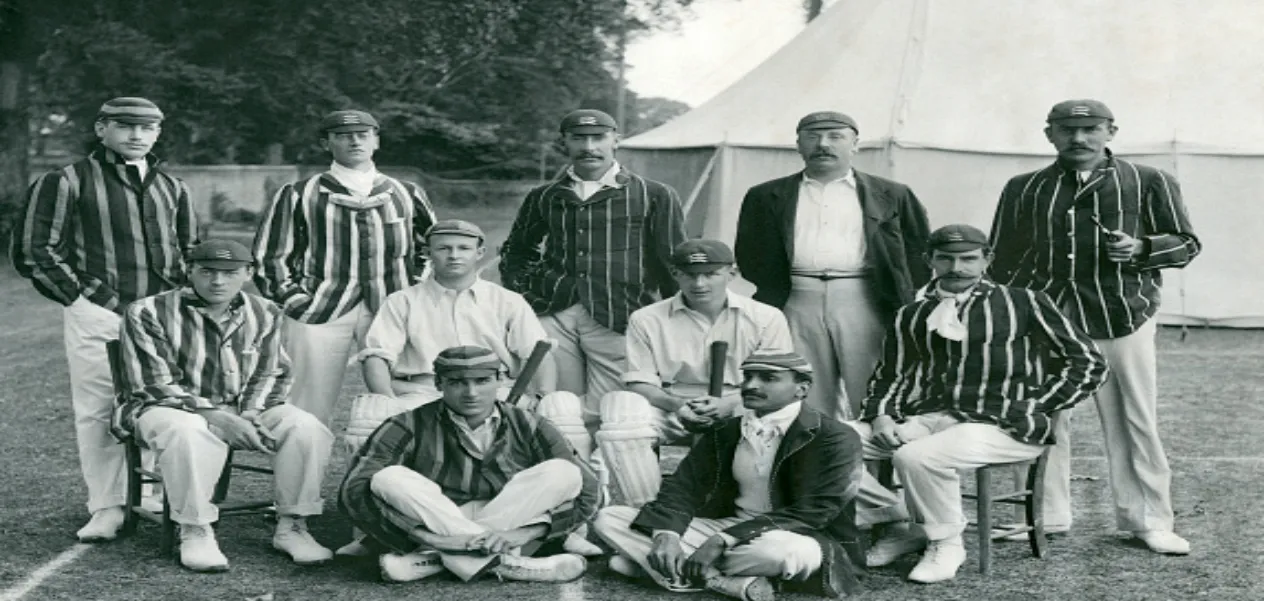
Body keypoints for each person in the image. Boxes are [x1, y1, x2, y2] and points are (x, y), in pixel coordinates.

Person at [988, 100, 1200, 555]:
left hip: (1122, 314)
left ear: (1111, 131)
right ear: (1050, 134)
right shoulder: (1024, 187)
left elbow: (1186, 244)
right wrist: (1015, 311)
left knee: (1134, 419)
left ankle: (1149, 519)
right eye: (1067, 129)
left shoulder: (1148, 180)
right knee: (1038, 415)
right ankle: (1044, 516)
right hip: (1045, 320)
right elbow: (1003, 258)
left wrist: (1141, 247)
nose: (1078, 138)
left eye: (1090, 129)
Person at [851, 224, 1107, 583]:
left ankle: (946, 543)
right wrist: (880, 418)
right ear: (929, 261)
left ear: (987, 259)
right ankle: (897, 519)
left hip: (1005, 424)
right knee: (828, 439)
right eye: (946, 258)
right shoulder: (912, 312)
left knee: (916, 456)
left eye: (969, 258)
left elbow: (1088, 362)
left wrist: (1035, 405)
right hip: (931, 417)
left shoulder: (1025, 301)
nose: (957, 267)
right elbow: (891, 374)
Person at [339, 218, 598, 558]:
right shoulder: (403, 301)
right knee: (371, 414)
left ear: (480, 253)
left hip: (497, 391)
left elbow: (538, 353)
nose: (454, 256)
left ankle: (568, 530)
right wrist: (386, 401)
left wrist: (542, 397)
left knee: (561, 409)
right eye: (443, 248)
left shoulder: (506, 301)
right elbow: (377, 356)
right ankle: (372, 533)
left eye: (463, 248)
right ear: (428, 253)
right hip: (424, 393)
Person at [11, 96, 197, 542]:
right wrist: (81, 298)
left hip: (163, 316)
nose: (136, 135)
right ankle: (107, 506)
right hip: (99, 312)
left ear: (157, 133)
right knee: (98, 409)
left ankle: (151, 493)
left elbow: (189, 250)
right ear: (101, 129)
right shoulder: (67, 181)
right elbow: (35, 249)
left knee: (163, 403)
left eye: (147, 127)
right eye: (125, 126)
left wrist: (181, 299)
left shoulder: (172, 187)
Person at [113, 239, 334, 572]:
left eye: (230, 273)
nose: (218, 282)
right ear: (189, 271)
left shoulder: (266, 311)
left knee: (307, 428)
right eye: (207, 272)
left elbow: (270, 371)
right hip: (166, 409)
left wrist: (250, 414)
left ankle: (292, 526)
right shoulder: (147, 311)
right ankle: (195, 530)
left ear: (248, 273)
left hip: (243, 408)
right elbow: (153, 384)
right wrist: (220, 418)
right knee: (188, 431)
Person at [593, 350, 866, 601]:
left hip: (795, 535)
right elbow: (684, 486)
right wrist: (668, 534)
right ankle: (723, 581)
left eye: (768, 378)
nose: (750, 385)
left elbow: (817, 511)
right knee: (610, 518)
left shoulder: (835, 437)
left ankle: (664, 567)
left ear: (801, 388)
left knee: (784, 553)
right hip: (724, 525)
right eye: (747, 376)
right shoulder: (726, 429)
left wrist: (721, 541)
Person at [338, 346, 602, 584]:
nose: (471, 393)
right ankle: (514, 565)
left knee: (564, 471)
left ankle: (436, 560)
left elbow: (591, 492)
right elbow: (353, 490)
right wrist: (434, 538)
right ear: (439, 383)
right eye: (457, 383)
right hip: (440, 521)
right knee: (388, 478)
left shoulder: (530, 423)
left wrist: (523, 534)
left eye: (482, 381)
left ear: (499, 380)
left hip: (509, 524)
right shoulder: (407, 423)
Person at [734, 111, 931, 423]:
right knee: (804, 392)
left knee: (873, 391)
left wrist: (895, 292)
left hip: (865, 299)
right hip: (796, 299)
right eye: (812, 136)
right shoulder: (766, 195)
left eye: (835, 136)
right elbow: (750, 254)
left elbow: (920, 252)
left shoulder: (893, 194)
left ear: (855, 144)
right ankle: (814, 467)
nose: (823, 144)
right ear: (798, 144)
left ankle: (878, 469)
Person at [499, 108, 688, 430]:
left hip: (621, 313)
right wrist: (526, 293)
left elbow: (672, 259)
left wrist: (675, 317)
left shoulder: (653, 194)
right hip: (554, 313)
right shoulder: (544, 196)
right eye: (579, 139)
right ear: (565, 143)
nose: (589, 147)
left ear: (617, 140)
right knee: (559, 408)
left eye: (598, 138)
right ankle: (570, 477)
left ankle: (615, 478)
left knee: (618, 409)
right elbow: (517, 250)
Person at [252, 109, 436, 426]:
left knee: (407, 399)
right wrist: (296, 300)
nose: (354, 141)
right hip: (319, 307)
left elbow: (432, 246)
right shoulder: (298, 193)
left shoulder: (407, 192)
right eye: (343, 135)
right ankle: (301, 473)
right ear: (327, 143)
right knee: (306, 407)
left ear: (376, 140)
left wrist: (414, 289)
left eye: (363, 134)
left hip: (392, 308)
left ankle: (397, 474)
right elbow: (271, 256)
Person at [592, 239, 794, 508]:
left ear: (731, 274)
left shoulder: (767, 317)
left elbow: (777, 383)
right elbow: (640, 382)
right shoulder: (647, 318)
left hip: (744, 403)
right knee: (621, 411)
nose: (699, 284)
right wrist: (678, 406)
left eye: (710, 274)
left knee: (781, 425)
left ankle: (751, 510)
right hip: (673, 404)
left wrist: (729, 404)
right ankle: (647, 513)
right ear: (675, 274)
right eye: (689, 275)